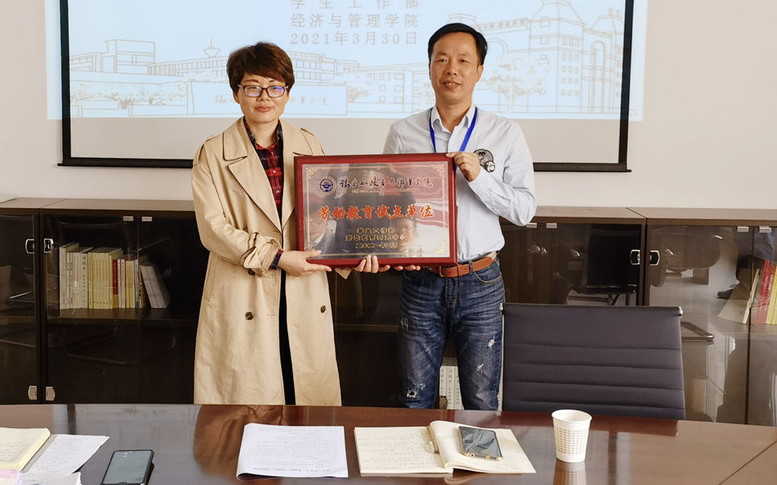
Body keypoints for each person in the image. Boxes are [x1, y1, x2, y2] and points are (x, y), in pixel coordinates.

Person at [192, 41, 378, 405]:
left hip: (302, 287)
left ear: (288, 93)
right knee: (248, 405)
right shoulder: (212, 153)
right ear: (236, 93)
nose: (265, 97)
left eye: (275, 87)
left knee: (303, 393)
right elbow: (213, 229)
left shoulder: (308, 143)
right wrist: (276, 257)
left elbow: (329, 214)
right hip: (244, 289)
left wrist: (354, 254)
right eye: (253, 87)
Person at [383, 22, 536, 410]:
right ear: (430, 68)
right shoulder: (402, 133)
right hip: (421, 281)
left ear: (479, 71)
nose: (451, 69)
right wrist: (394, 246)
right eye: (442, 59)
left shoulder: (505, 133)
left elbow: (523, 210)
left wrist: (480, 178)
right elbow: (389, 208)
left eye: (463, 60)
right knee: (414, 398)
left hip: (480, 280)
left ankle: (478, 455)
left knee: (482, 400)